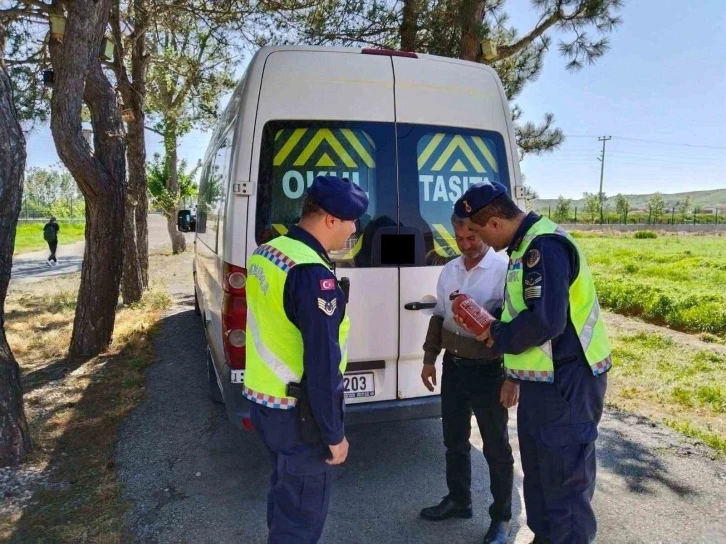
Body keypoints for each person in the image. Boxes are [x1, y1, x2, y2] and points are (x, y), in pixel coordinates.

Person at [453, 182, 612, 544]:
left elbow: (546, 321)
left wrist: (496, 333)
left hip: (570, 380)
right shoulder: (524, 247)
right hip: (543, 381)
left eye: (477, 232)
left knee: (565, 487)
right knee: (540, 479)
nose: (480, 242)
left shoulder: (545, 247)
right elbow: (524, 311)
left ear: (494, 223)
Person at [244, 175, 368, 543]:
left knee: (285, 498)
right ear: (330, 219)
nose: (353, 230)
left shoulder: (269, 252)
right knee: (301, 519)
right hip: (300, 415)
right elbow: (322, 364)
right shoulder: (311, 273)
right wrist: (334, 434)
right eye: (351, 222)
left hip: (265, 401)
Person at [419, 213, 518, 544]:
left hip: (489, 370)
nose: (466, 246)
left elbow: (517, 327)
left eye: (471, 238)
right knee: (454, 440)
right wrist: (429, 359)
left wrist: (513, 377)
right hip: (454, 367)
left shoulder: (504, 270)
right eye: (459, 240)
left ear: (483, 233)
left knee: (495, 447)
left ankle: (502, 517)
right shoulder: (450, 270)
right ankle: (459, 500)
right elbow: (438, 318)